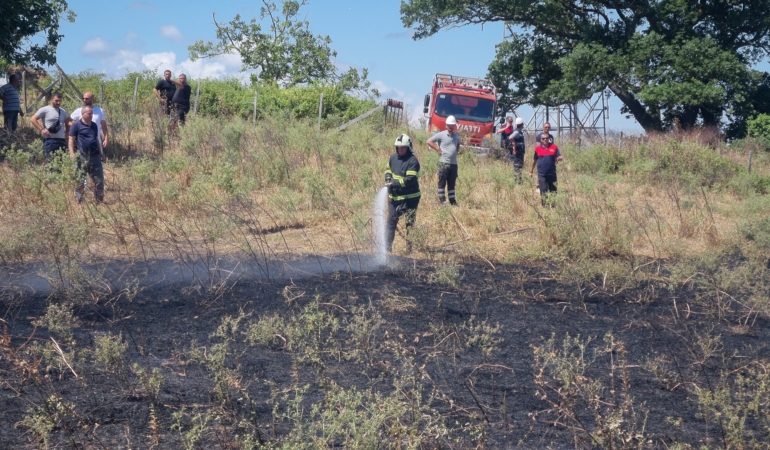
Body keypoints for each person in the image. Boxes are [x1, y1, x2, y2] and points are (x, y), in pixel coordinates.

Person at [385, 134, 421, 253]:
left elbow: (410, 179)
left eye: (403, 147)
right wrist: (388, 178)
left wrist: (394, 184)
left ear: (408, 147)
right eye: (399, 147)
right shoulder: (393, 157)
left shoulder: (412, 161)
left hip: (410, 198)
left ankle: (409, 249)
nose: (401, 149)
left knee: (409, 223)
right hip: (394, 197)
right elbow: (388, 169)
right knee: (391, 221)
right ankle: (387, 248)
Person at [68, 105, 105, 203]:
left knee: (99, 179)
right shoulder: (76, 125)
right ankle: (80, 200)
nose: (91, 115)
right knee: (80, 180)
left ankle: (99, 200)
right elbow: (71, 139)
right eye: (89, 113)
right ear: (83, 114)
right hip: (82, 156)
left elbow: (96, 139)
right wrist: (72, 153)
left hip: (95, 155)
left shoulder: (93, 125)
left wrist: (101, 153)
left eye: (92, 113)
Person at [427, 115, 460, 205]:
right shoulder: (441, 134)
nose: (450, 127)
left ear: (454, 126)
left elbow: (458, 144)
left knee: (452, 184)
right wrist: (437, 149)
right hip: (443, 163)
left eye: (452, 125)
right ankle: (442, 201)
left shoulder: (456, 136)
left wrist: (455, 152)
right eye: (449, 125)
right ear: (446, 125)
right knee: (442, 182)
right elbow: (429, 141)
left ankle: (452, 201)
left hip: (453, 164)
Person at [30, 93, 71, 161]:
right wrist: (42, 130)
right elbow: (33, 119)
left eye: (60, 101)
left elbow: (66, 122)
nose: (58, 102)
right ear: (51, 99)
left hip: (62, 140)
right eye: (56, 100)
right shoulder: (45, 109)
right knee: (51, 162)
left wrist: (67, 131)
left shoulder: (63, 111)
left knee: (61, 162)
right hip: (50, 140)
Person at [530, 132, 563, 206]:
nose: (545, 140)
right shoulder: (537, 149)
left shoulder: (554, 147)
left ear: (549, 139)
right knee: (543, 190)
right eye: (543, 138)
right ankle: (545, 207)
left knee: (553, 191)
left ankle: (553, 206)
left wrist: (559, 158)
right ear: (541, 140)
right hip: (542, 174)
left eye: (546, 138)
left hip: (552, 173)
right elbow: (534, 161)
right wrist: (531, 171)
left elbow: (559, 156)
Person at [510, 117, 526, 183]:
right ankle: (517, 181)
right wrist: (516, 143)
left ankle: (519, 180)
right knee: (517, 166)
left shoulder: (519, 132)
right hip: (517, 152)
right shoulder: (517, 131)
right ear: (522, 124)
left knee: (520, 166)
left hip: (520, 152)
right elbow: (510, 137)